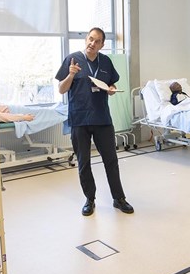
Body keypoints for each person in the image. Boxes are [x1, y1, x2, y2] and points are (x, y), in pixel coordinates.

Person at [55, 27, 133, 216]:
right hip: (79, 119)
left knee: (111, 160)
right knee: (83, 162)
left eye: (97, 41)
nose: (92, 43)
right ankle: (90, 199)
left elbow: (112, 83)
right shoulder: (72, 59)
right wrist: (71, 74)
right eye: (90, 39)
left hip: (102, 118)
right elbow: (61, 89)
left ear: (102, 44)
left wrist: (112, 89)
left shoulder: (105, 61)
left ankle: (119, 198)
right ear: (85, 40)